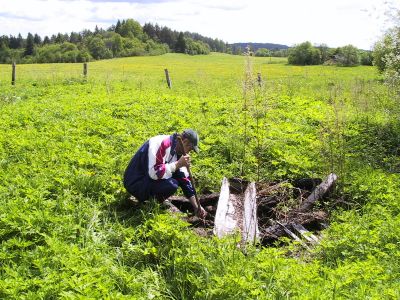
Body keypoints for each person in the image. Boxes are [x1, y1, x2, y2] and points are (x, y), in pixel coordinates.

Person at [124, 129, 207, 218]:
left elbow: (184, 180)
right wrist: (177, 164)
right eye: (189, 149)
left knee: (176, 177)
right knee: (172, 185)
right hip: (135, 181)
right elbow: (154, 173)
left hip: (146, 179)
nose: (188, 153)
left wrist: (196, 206)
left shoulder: (177, 152)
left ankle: (152, 199)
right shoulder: (161, 143)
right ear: (185, 142)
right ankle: (147, 203)